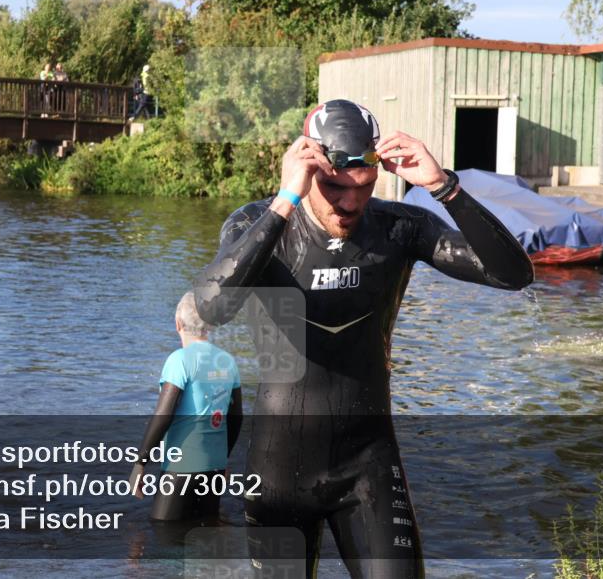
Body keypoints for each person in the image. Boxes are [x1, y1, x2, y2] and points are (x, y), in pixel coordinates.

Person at [192, 99, 534, 577]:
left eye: (364, 187)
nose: (350, 204)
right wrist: (285, 201)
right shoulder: (257, 223)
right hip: (279, 468)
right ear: (307, 168)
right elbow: (212, 306)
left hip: (368, 462)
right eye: (333, 187)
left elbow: (513, 274)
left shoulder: (400, 228)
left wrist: (443, 187)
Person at [131, 292, 243, 521]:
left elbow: (164, 415)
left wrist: (140, 463)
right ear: (209, 326)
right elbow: (236, 418)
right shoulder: (228, 362)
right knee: (205, 532)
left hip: (180, 469)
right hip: (214, 469)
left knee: (164, 535)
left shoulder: (179, 360)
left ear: (178, 324)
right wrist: (223, 459)